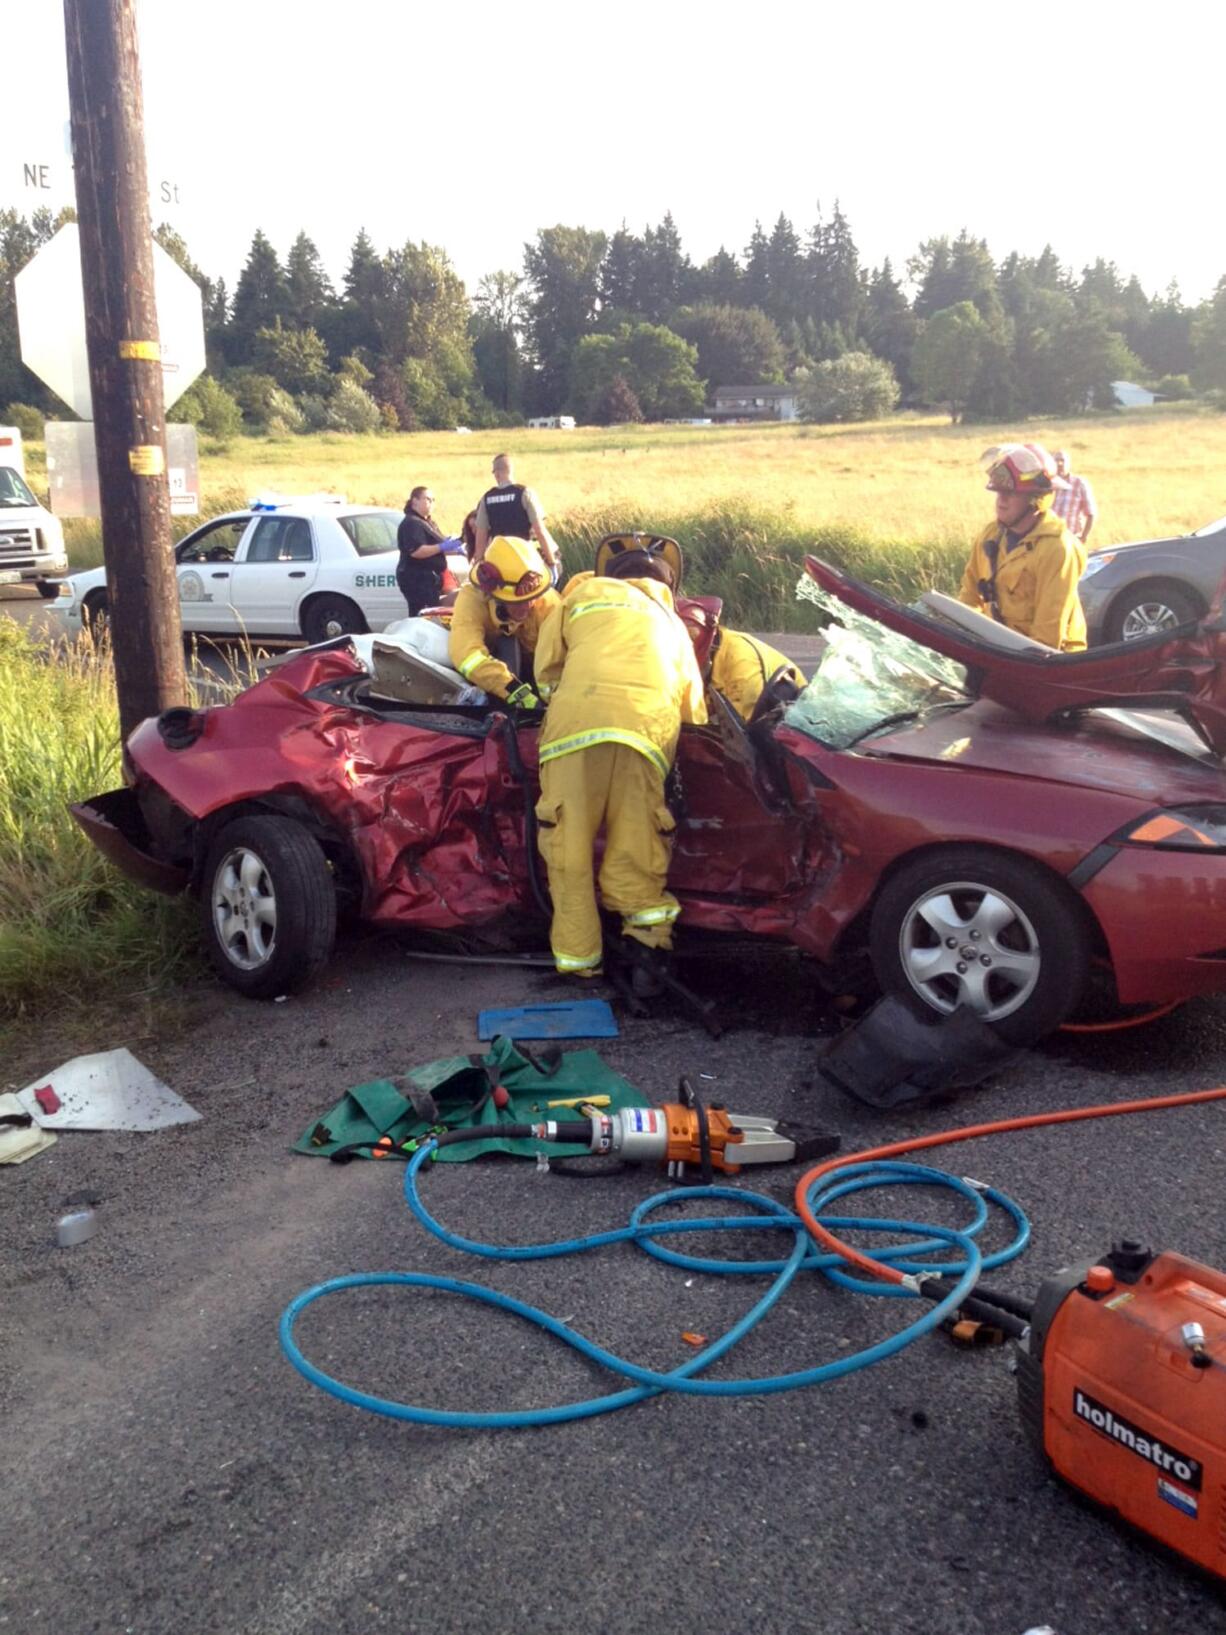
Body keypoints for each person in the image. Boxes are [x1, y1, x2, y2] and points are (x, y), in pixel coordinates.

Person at [532, 546, 707, 982]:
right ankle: (647, 958)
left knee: (569, 851)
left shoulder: (581, 596)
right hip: (645, 736)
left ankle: (579, 963)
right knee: (637, 847)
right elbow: (694, 710)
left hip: (573, 731)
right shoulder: (673, 623)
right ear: (666, 586)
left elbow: (546, 668)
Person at [958, 443, 1088, 651]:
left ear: (1036, 499)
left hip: (1047, 664)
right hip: (999, 652)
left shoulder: (1057, 549)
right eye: (999, 492)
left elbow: (1047, 637)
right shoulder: (990, 536)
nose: (1001, 501)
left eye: (1011, 493)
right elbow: (969, 598)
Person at [448, 535, 560, 706]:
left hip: (537, 673)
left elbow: (562, 656)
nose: (527, 606)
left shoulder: (548, 602)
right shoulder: (472, 599)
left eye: (532, 598)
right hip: (493, 682)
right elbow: (466, 655)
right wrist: (515, 691)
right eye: (517, 602)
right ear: (492, 594)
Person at [473, 453, 561, 577]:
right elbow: (540, 531)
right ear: (511, 470)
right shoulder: (525, 493)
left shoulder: (486, 498)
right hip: (524, 559)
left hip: (498, 561)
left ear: (497, 474)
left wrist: (478, 566)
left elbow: (480, 539)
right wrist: (552, 563)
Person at [396, 486, 459, 616]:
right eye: (427, 499)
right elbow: (416, 551)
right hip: (417, 579)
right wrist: (442, 547)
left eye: (433, 500)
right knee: (424, 616)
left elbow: (436, 548)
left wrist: (458, 550)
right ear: (415, 501)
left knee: (435, 612)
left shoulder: (428, 522)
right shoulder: (412, 523)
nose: (431, 503)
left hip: (431, 580)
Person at [1050, 449, 1098, 543]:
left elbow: (1091, 513)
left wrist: (1084, 536)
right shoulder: (1047, 485)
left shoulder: (1079, 483)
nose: (1059, 464)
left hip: (1070, 539)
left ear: (1068, 464)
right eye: (1056, 460)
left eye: (1062, 460)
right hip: (1048, 540)